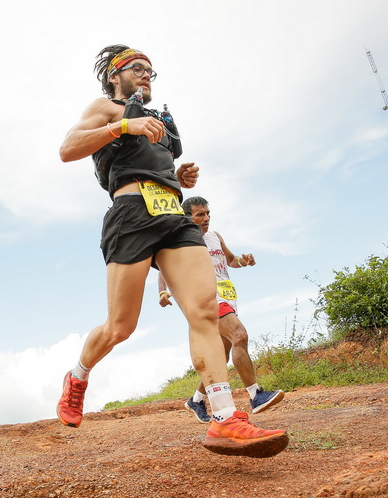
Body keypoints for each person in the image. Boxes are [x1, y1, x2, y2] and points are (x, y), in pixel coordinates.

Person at [56, 44, 288, 458]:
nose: (146, 75)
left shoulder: (160, 121)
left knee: (203, 311)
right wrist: (121, 128)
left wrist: (177, 176)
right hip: (131, 214)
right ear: (115, 75)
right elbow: (68, 148)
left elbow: (154, 164)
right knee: (120, 327)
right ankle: (77, 377)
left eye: (151, 71)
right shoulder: (107, 108)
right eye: (138, 69)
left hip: (173, 214)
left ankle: (223, 418)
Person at [159, 196, 285, 423]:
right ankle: (256, 395)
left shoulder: (214, 236)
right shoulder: (182, 240)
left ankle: (196, 400)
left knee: (221, 354)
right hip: (208, 298)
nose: (206, 218)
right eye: (200, 214)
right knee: (240, 335)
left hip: (228, 296)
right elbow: (163, 267)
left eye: (207, 213)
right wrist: (163, 292)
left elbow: (230, 260)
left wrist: (243, 261)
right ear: (187, 217)